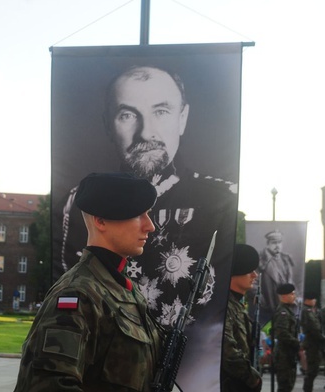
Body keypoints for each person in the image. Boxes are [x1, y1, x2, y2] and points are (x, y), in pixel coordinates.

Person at [52, 65, 238, 388]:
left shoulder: (220, 200)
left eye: (161, 112)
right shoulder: (79, 290)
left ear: (182, 118)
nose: (146, 133)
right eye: (127, 115)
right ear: (108, 125)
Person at [15, 172, 166, 391]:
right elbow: (48, 385)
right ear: (101, 220)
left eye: (148, 214)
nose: (150, 226)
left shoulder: (125, 290)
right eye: (138, 214)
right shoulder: (77, 294)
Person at [220, 243, 262, 392]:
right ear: (236, 272)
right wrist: (253, 378)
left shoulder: (236, 305)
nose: (254, 275)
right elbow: (226, 352)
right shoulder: (224, 306)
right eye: (249, 270)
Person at [257, 230, 302, 324]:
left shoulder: (286, 259)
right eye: (274, 243)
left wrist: (295, 296)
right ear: (268, 244)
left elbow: (291, 282)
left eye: (279, 242)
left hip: (285, 307)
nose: (277, 246)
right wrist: (262, 300)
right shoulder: (261, 260)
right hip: (268, 307)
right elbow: (253, 282)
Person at [272, 283, 299, 392]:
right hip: (284, 355)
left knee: (288, 385)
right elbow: (281, 333)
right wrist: (296, 343)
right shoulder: (283, 312)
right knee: (285, 386)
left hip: (288, 353)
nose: (294, 296)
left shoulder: (287, 310)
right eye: (292, 294)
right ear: (284, 296)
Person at [300, 292, 324, 392]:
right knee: (312, 368)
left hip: (316, 342)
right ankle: (307, 388)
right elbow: (309, 327)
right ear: (307, 300)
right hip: (311, 342)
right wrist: (320, 337)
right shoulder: (305, 311)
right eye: (313, 299)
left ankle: (308, 387)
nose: (315, 301)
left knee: (314, 368)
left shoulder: (314, 311)